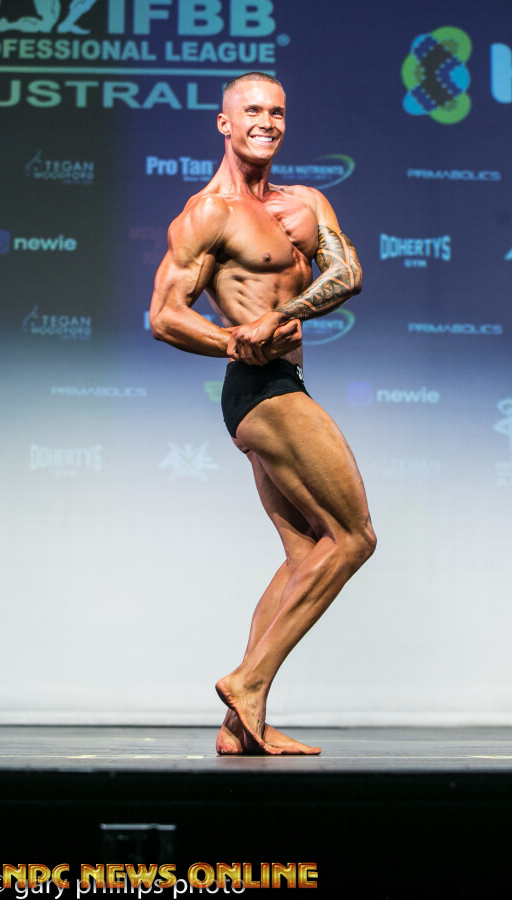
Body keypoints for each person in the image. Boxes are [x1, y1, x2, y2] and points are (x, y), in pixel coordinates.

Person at [150, 72, 376, 756]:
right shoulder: (208, 214)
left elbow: (347, 275)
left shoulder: (305, 202)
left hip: (283, 377)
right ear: (224, 123)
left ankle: (239, 725)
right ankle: (247, 681)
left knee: (307, 553)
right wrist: (233, 340)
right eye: (252, 110)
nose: (266, 121)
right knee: (354, 538)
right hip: (260, 387)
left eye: (277, 111)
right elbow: (164, 315)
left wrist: (281, 315)